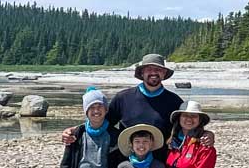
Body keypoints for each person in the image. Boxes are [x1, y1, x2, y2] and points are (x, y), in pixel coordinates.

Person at [61, 54, 214, 154]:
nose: (153, 72)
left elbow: (187, 127)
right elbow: (102, 123)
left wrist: (207, 134)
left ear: (164, 74)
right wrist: (74, 130)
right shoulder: (123, 97)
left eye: (158, 69)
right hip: (127, 160)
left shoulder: (174, 101)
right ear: (141, 73)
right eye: (149, 69)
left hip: (161, 162)